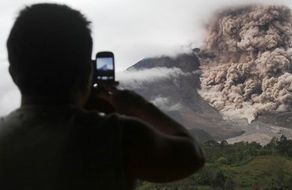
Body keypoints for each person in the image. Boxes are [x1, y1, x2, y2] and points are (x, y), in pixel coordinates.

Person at [0, 3, 205, 190]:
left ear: (13, 73)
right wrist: (138, 106)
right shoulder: (119, 137)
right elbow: (192, 155)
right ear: (87, 72)